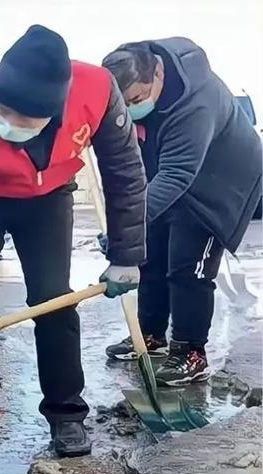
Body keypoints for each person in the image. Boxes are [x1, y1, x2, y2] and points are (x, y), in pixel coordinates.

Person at [0, 25, 147, 458]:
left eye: (22, 119)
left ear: (54, 111)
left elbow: (124, 173)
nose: (7, 124)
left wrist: (126, 255)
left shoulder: (97, 91)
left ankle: (66, 416)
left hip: (48, 200)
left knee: (53, 300)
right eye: (3, 111)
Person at [102, 39, 262, 385]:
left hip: (219, 183)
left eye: (136, 100)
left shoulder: (195, 104)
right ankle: (151, 335)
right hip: (170, 173)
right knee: (152, 255)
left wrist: (125, 225)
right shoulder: (132, 77)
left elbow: (177, 175)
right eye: (123, 103)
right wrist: (127, 227)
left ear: (158, 72)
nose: (129, 109)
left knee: (187, 268)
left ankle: (191, 351)